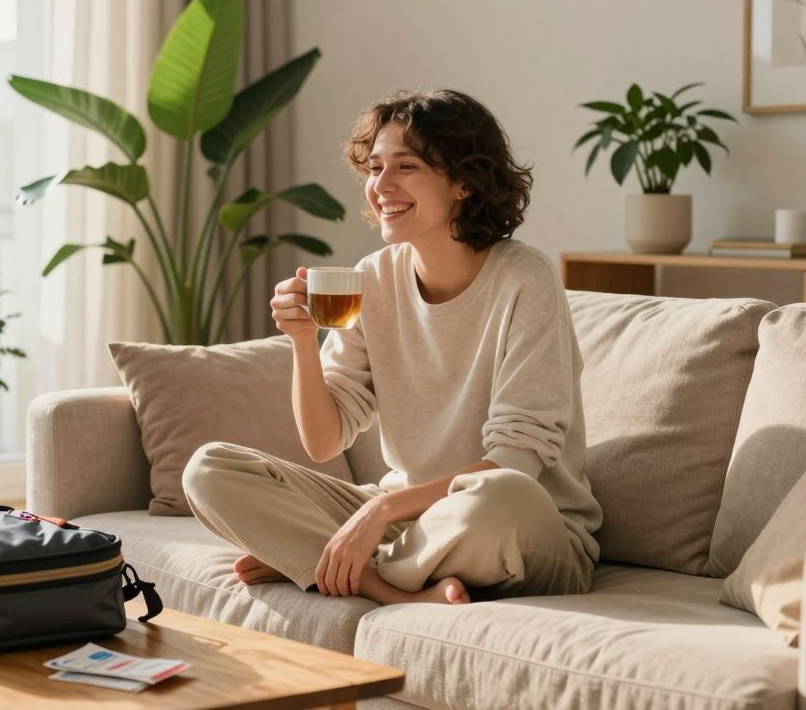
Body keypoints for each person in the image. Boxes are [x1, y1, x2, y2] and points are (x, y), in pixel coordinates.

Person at [183, 90, 603, 606]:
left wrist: (378, 513)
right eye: (375, 167)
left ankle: (323, 559)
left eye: (406, 166)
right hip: (409, 523)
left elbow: (515, 463)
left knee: (498, 496)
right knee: (209, 468)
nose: (381, 186)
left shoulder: (525, 279)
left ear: (465, 181)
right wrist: (302, 343)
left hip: (523, 531)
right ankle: (384, 585)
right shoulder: (372, 278)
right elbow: (324, 440)